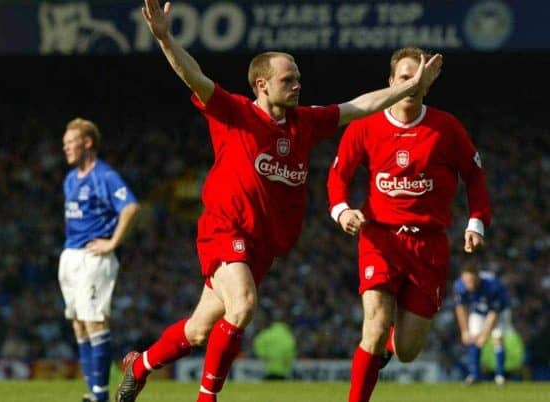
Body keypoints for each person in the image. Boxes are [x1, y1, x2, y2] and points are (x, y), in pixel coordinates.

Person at [115, 2, 442, 401]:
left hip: (262, 247)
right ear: (262, 84)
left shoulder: (305, 123)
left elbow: (359, 106)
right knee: (244, 305)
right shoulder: (234, 113)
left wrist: (409, 88)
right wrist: (165, 38)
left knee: (200, 328)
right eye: (289, 79)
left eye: (299, 78)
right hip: (225, 230)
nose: (297, 85)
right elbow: (193, 76)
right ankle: (206, 398)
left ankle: (141, 364)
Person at [326, 46, 491, 402]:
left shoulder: (446, 127)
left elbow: (474, 177)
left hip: (429, 245)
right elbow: (338, 175)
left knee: (406, 350)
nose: (412, 84)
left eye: (419, 77)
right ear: (391, 82)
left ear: (428, 83)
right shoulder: (365, 126)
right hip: (380, 238)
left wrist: (476, 221)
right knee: (374, 322)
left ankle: (387, 345)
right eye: (404, 77)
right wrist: (342, 210)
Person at [59, 117, 141, 402]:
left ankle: (101, 396)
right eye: (65, 143)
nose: (66, 148)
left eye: (71, 142)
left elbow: (130, 206)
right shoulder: (71, 179)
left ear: (88, 143)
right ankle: (94, 392)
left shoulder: (104, 175)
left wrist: (113, 242)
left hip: (94, 257)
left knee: (95, 322)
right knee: (79, 323)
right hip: (70, 254)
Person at [453, 263, 512, 385]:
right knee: (473, 338)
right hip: (478, 310)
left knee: (497, 337)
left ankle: (500, 376)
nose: (469, 284)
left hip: (499, 312)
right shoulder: (459, 285)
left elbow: (494, 312)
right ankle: (474, 375)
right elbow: (461, 308)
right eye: (467, 281)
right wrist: (464, 331)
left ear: (478, 278)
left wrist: (485, 334)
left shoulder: (492, 285)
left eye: (472, 281)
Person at [253, 312, 297, 380]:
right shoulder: (288, 336)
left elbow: (257, 343)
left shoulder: (266, 333)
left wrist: (263, 355)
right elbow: (291, 351)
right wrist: (287, 361)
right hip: (282, 370)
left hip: (268, 369)